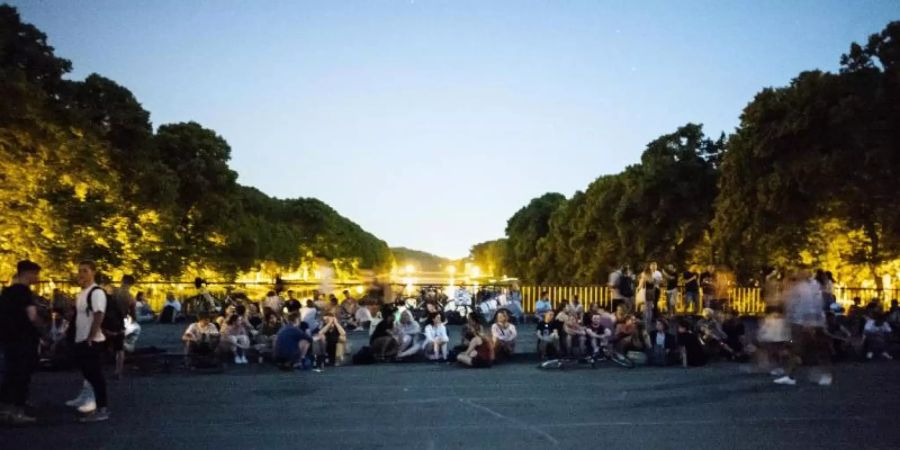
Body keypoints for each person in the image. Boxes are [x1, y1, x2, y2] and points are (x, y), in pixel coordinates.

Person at [0, 260, 43, 424]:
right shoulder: (24, 292)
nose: (37, 278)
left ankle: (5, 409)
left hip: (9, 338)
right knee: (22, 374)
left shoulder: (7, 292)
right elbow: (32, 316)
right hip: (24, 338)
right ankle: (18, 411)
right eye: (36, 274)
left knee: (10, 373)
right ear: (28, 273)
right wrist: (41, 327)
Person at [775, 270, 832, 386]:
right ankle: (790, 375)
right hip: (803, 322)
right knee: (798, 349)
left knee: (812, 349)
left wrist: (808, 322)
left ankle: (824, 375)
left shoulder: (806, 287)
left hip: (804, 323)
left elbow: (809, 305)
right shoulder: (808, 286)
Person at [70, 260, 110, 422]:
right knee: (89, 374)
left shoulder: (96, 292)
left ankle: (102, 409)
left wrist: (91, 336)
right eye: (80, 271)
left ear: (93, 272)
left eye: (85, 271)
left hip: (91, 340)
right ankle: (94, 404)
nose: (81, 274)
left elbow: (99, 314)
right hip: (82, 339)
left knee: (95, 375)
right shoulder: (82, 293)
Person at [106, 275, 135, 380]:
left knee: (100, 346)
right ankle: (118, 372)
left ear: (122, 281)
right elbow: (133, 313)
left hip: (106, 323)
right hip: (119, 323)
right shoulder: (130, 297)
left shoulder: (113, 291)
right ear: (131, 284)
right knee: (119, 349)